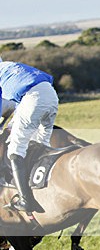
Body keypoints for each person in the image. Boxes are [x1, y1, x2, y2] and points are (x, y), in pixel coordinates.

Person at [0, 58, 59, 213]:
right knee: (42, 145)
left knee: (15, 150)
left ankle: (26, 200)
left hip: (32, 99)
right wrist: (12, 125)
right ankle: (46, 187)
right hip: (51, 96)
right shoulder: (11, 66)